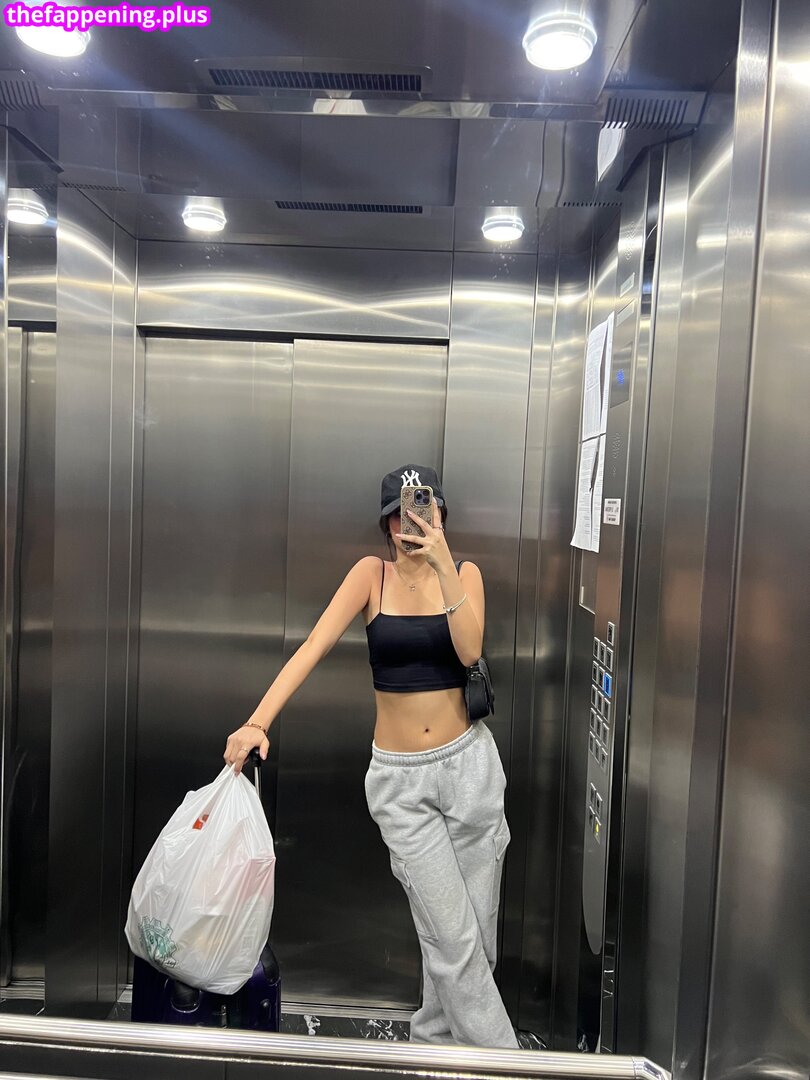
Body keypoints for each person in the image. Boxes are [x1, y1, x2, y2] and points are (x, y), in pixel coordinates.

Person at [224, 465, 518, 1049]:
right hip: (402, 786)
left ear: (440, 515)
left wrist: (443, 563)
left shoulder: (465, 574)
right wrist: (257, 719)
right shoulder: (370, 576)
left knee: (475, 942)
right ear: (386, 524)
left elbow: (470, 651)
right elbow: (313, 645)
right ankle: (506, 1065)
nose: (410, 526)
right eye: (399, 516)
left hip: (469, 769)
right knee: (454, 942)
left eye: (423, 512)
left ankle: (434, 1045)